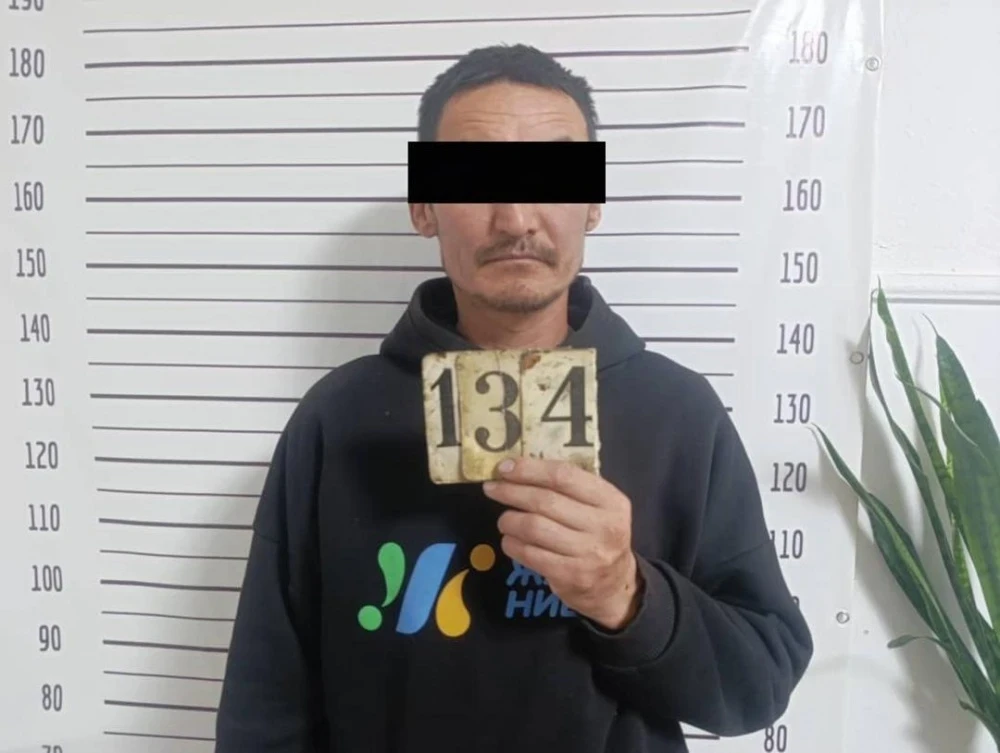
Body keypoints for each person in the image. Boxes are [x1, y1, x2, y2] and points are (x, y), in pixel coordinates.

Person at [215, 43, 812, 753]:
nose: (517, 217)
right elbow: (265, 703)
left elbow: (760, 681)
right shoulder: (335, 419)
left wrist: (626, 594)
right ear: (424, 205)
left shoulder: (681, 414)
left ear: (592, 203)